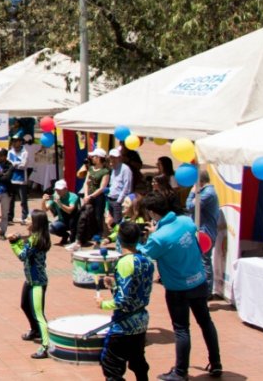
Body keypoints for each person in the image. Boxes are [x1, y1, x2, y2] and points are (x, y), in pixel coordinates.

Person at [139, 191, 221, 380]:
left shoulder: (158, 238)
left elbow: (146, 253)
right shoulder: (186, 222)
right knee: (206, 322)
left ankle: (181, 372)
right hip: (199, 281)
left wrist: (149, 236)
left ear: (151, 212)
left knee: (182, 329)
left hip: (178, 289)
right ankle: (216, 364)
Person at [97, 221, 154, 381]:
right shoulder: (147, 261)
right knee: (138, 361)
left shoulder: (124, 263)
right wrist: (115, 284)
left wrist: (103, 304)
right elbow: (137, 289)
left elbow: (122, 301)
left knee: (111, 366)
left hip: (124, 325)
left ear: (120, 240)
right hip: (141, 321)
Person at [11, 210, 52, 359]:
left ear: (35, 224)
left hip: (37, 283)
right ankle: (35, 330)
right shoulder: (35, 238)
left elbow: (22, 255)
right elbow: (27, 251)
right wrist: (20, 241)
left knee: (38, 314)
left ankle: (46, 345)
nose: (26, 221)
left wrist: (14, 243)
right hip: (30, 280)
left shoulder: (35, 240)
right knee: (24, 305)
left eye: (28, 219)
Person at [187, 170, 221, 288]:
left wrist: (192, 193)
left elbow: (190, 206)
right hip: (202, 230)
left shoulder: (208, 193)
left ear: (199, 181)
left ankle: (207, 291)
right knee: (200, 261)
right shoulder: (205, 192)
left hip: (205, 233)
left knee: (204, 261)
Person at [75, 147, 111, 250]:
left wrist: (91, 196)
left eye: (94, 156)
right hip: (89, 197)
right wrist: (86, 195)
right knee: (85, 215)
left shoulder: (105, 171)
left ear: (99, 158)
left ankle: (98, 239)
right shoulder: (91, 168)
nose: (92, 158)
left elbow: (102, 187)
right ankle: (83, 237)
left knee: (98, 217)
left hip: (98, 198)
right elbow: (86, 182)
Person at [43, 180, 80, 246]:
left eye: (59, 189)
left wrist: (59, 203)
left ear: (65, 189)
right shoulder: (55, 196)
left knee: (73, 227)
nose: (57, 191)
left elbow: (70, 210)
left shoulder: (73, 196)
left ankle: (74, 238)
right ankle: (65, 235)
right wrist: (43, 201)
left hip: (74, 221)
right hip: (63, 221)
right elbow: (45, 209)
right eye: (56, 190)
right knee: (51, 228)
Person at [7, 137, 31, 224]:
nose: (14, 143)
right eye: (13, 141)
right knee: (11, 200)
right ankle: (10, 217)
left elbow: (23, 166)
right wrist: (16, 164)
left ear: (20, 142)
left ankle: (25, 217)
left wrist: (14, 165)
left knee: (23, 200)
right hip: (12, 179)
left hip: (22, 180)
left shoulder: (25, 152)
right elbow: (9, 164)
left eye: (16, 141)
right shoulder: (10, 152)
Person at [108, 148, 134, 222]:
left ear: (119, 158)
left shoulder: (125, 169)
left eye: (115, 158)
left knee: (117, 222)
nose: (113, 159)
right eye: (112, 157)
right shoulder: (113, 168)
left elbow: (127, 186)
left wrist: (119, 201)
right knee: (111, 222)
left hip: (119, 201)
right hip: (111, 198)